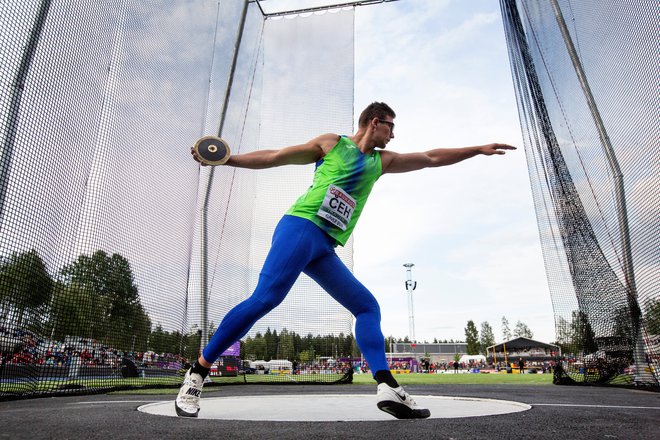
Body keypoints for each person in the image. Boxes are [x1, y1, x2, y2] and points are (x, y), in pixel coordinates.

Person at [176, 102, 515, 419]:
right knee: (266, 299)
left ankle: (386, 385)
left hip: (324, 245)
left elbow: (430, 157)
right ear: (375, 122)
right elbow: (278, 156)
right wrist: (227, 159)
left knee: (367, 307)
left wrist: (477, 150)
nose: (393, 135)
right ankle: (198, 372)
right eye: (391, 127)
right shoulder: (331, 144)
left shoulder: (381, 162)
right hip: (301, 227)